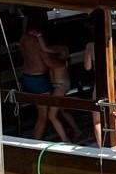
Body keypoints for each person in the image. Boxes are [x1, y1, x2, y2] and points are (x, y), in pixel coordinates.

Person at [18, 10, 75, 142]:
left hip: (26, 76)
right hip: (39, 80)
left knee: (54, 109)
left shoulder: (23, 39)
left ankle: (71, 130)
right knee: (43, 115)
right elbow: (48, 62)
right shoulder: (38, 42)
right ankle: (36, 141)